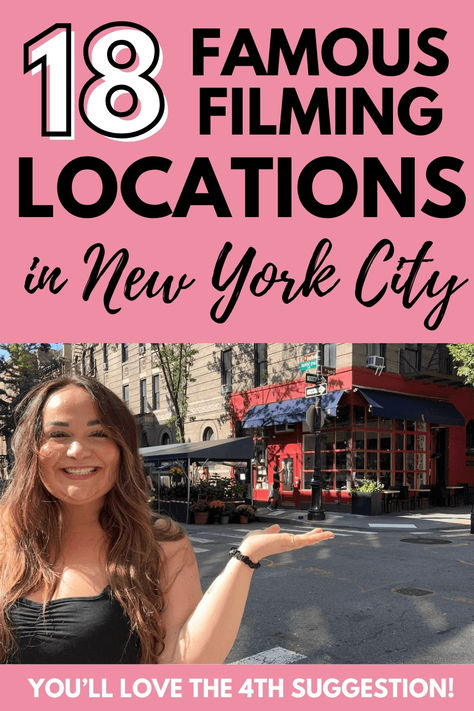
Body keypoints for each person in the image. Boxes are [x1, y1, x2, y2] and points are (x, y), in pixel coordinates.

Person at [0, 375, 334, 664]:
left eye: (98, 434)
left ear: (122, 451)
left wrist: (245, 559)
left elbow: (184, 664)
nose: (77, 450)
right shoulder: (6, 534)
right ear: (32, 450)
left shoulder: (160, 545)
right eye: (59, 435)